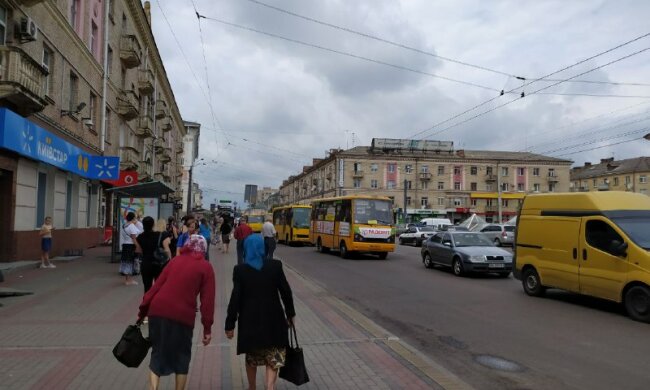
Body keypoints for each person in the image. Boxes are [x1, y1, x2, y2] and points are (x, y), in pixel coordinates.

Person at [138, 235, 215, 390]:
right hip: (183, 317)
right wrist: (207, 328)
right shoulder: (206, 267)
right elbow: (208, 301)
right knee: (182, 356)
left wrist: (142, 313)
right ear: (204, 249)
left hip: (157, 312)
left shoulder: (174, 261)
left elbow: (154, 289)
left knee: (157, 354)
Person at [225, 234, 296, 390]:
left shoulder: (240, 270)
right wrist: (290, 314)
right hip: (274, 320)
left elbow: (235, 298)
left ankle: (252, 387)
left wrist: (230, 324)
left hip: (250, 322)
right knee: (274, 354)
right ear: (263, 248)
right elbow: (286, 291)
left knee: (252, 357)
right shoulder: (275, 266)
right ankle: (269, 386)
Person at [136, 217, 172, 293]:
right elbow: (166, 249)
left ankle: (146, 303)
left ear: (143, 225)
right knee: (159, 286)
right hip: (159, 264)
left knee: (147, 287)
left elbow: (138, 250)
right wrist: (170, 261)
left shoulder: (140, 237)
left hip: (146, 264)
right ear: (153, 225)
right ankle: (157, 303)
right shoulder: (160, 235)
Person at [120, 212, 140, 285]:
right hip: (131, 245)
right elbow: (134, 237)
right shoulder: (131, 225)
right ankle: (129, 280)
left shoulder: (125, 225)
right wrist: (137, 246)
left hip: (125, 245)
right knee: (130, 262)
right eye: (135, 217)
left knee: (126, 262)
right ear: (133, 218)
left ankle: (127, 279)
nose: (136, 218)